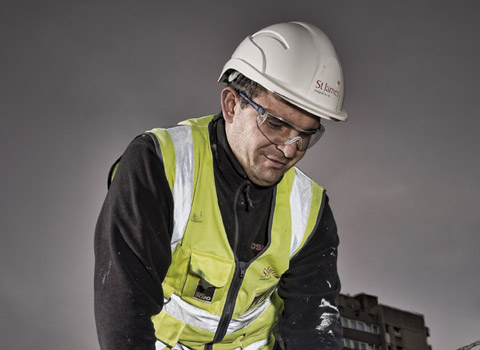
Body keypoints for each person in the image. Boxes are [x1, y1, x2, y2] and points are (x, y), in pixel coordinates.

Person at [94, 21, 348, 350]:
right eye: (275, 124)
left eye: (305, 136)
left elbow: (314, 323)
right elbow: (124, 308)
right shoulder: (161, 165)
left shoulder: (310, 208)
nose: (289, 150)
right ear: (231, 105)